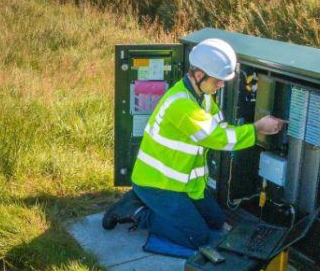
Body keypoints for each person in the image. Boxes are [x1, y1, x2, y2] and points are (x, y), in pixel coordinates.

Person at [102, 38, 287, 255]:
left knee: (216, 221)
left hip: (187, 185)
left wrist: (250, 129)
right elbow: (216, 137)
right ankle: (138, 210)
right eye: (218, 81)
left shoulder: (204, 96)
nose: (221, 85)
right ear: (199, 75)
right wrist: (256, 128)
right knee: (197, 238)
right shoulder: (181, 104)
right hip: (158, 184)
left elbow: (220, 127)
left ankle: (147, 203)